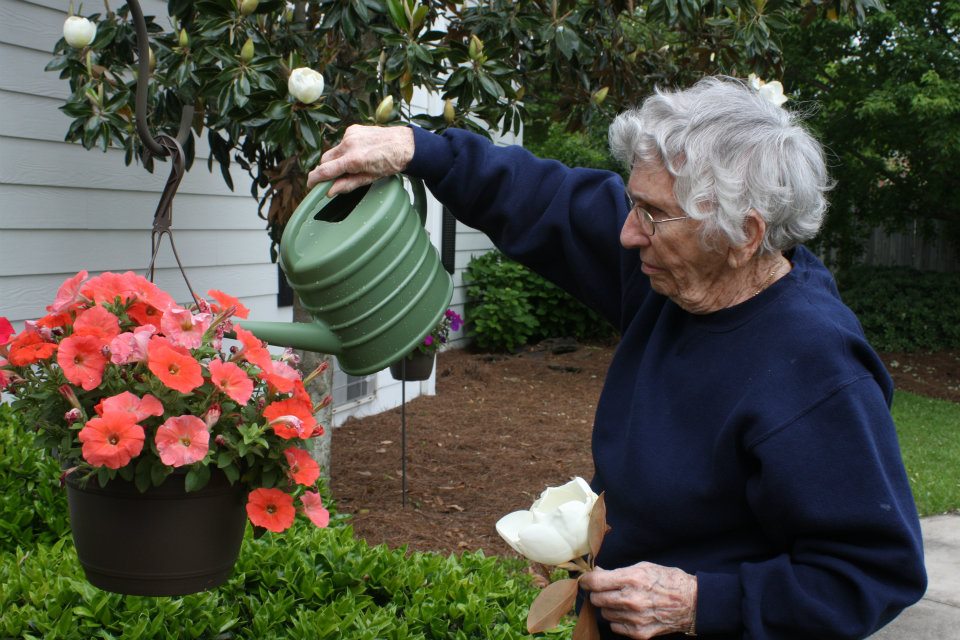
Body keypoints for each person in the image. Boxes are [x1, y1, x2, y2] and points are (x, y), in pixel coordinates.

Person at [307, 76, 926, 639]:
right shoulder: (673, 269)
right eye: (635, 202)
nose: (629, 233)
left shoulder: (815, 369)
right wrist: (420, 149)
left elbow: (873, 572)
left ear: (744, 235)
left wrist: (701, 602)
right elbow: (546, 199)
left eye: (652, 214)